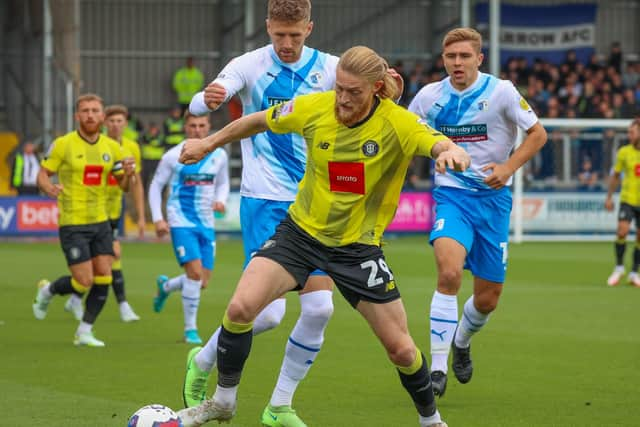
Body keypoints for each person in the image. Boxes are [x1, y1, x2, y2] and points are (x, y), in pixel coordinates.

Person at [176, 45, 469, 427]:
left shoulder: (398, 123)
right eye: (340, 88)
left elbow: (440, 143)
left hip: (357, 249)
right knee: (240, 309)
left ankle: (431, 420)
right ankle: (223, 402)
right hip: (299, 234)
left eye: (354, 92)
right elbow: (258, 120)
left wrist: (452, 153)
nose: (343, 99)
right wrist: (207, 143)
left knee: (401, 348)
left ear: (377, 88)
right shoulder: (315, 106)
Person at [184, 1, 339, 425]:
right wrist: (206, 97)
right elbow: (202, 105)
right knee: (268, 314)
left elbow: (369, 95)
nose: (286, 44)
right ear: (268, 26)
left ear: (309, 27)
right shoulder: (249, 65)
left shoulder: (331, 68)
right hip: (266, 200)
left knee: (320, 309)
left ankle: (279, 406)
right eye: (279, 35)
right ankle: (202, 361)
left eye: (295, 35)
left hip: (316, 204)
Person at [408, 27, 547, 398]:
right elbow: (407, 137)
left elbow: (538, 135)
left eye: (465, 56)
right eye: (451, 56)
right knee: (449, 272)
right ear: (443, 59)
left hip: (493, 200)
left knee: (487, 300)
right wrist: (433, 153)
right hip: (453, 197)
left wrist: (507, 169)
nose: (457, 63)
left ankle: (462, 341)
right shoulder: (427, 98)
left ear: (479, 59)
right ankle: (435, 369)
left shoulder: (501, 91)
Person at [32, 93, 136, 347]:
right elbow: (43, 174)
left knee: (104, 276)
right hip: (73, 222)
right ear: (77, 116)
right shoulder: (63, 144)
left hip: (101, 221)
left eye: (94, 110)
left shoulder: (113, 148)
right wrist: (48, 188)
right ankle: (47, 291)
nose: (90, 115)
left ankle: (85, 331)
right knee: (84, 280)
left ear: (102, 116)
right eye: (85, 110)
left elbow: (123, 187)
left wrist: (128, 175)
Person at [149, 112, 229, 344]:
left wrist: (221, 199)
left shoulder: (219, 155)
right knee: (194, 274)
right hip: (180, 220)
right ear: (185, 127)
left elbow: (223, 182)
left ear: (208, 126)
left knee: (202, 281)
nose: (197, 129)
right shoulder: (173, 156)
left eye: (201, 125)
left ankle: (165, 286)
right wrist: (158, 218)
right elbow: (156, 186)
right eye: (192, 125)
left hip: (206, 222)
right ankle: (190, 330)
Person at [605, 118, 640, 287]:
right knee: (622, 232)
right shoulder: (624, 152)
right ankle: (619, 268)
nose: (629, 135)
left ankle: (634, 272)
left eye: (632, 132)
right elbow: (616, 176)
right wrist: (609, 197)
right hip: (628, 199)